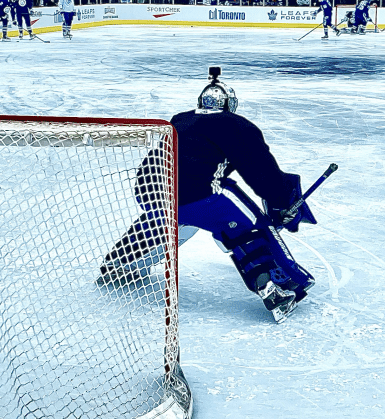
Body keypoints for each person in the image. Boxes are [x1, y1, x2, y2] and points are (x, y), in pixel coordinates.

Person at [99, 68, 318, 322]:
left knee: (170, 217)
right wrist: (282, 202)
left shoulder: (181, 119)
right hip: (194, 194)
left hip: (148, 188)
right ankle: (272, 288)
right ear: (230, 105)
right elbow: (261, 172)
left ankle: (121, 263)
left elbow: (192, 160)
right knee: (244, 230)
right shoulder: (237, 125)